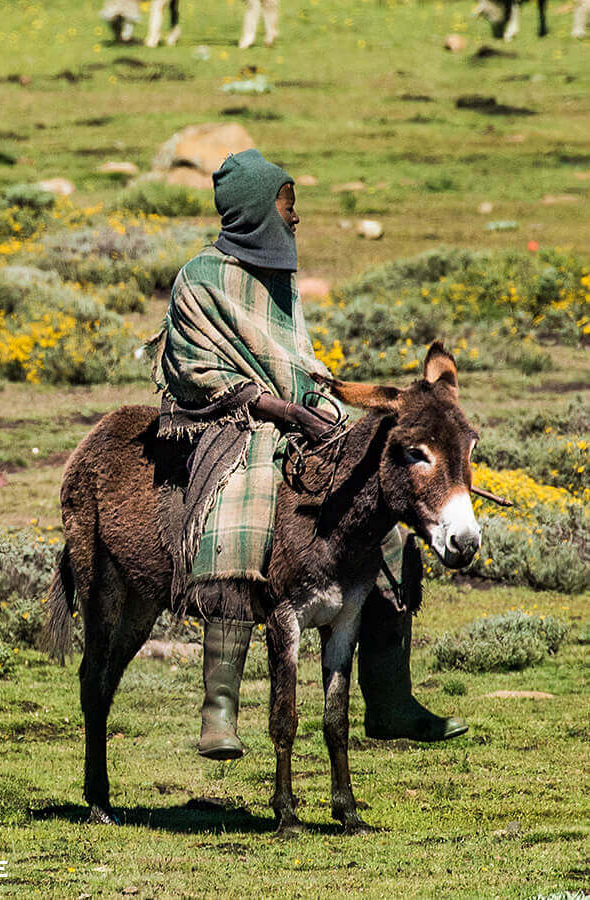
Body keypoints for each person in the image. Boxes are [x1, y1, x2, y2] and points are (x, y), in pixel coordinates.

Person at [150, 149, 467, 760]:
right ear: (252, 209)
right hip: (231, 419)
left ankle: (390, 696)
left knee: (388, 521)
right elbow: (195, 368)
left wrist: (319, 395)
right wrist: (279, 409)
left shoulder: (280, 275)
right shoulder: (200, 278)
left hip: (302, 413)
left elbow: (292, 354)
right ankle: (219, 710)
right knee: (243, 512)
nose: (294, 218)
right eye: (285, 205)